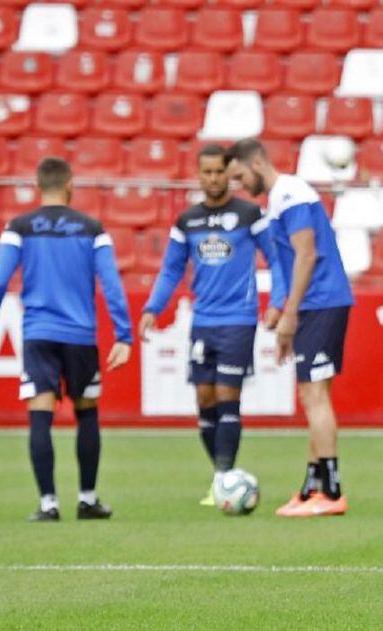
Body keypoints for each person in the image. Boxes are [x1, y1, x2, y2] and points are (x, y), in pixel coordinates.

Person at [0, 157, 132, 521]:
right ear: (70, 184)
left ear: (38, 185)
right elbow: (112, 284)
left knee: (40, 412)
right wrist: (124, 334)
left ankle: (48, 504)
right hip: (80, 337)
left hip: (39, 334)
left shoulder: (19, 227)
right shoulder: (92, 228)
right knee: (86, 410)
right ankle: (87, 499)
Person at [138, 144, 288, 504]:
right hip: (202, 322)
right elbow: (172, 269)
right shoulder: (187, 220)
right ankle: (223, 477)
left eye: (219, 172)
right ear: (198, 174)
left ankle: (223, 479)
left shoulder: (250, 214)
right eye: (206, 172)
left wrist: (278, 302)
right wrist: (152, 308)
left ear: (228, 173)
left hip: (238, 320)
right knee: (204, 399)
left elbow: (277, 259)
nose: (213, 178)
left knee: (226, 397)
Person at [225, 139, 354, 518]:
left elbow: (307, 253)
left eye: (239, 175)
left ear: (258, 163)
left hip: (320, 303)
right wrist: (280, 307)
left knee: (314, 396)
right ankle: (313, 485)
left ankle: (331, 492)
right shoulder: (280, 198)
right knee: (314, 395)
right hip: (316, 303)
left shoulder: (291, 193)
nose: (239, 185)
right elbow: (286, 262)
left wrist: (291, 314)